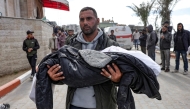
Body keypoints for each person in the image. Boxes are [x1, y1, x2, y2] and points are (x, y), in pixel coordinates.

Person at [47, 7, 122, 109]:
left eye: (89, 18)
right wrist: (54, 77)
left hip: (103, 105)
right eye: (82, 19)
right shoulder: (70, 46)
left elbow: (122, 77)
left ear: (98, 21)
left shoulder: (111, 46)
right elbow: (66, 74)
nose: (85, 22)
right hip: (75, 105)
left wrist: (118, 80)